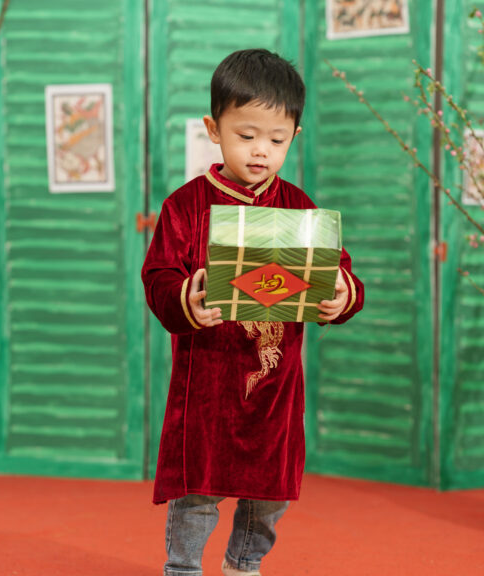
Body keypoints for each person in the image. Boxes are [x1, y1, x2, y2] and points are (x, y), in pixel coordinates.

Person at [142, 48, 364, 576]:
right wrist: (187, 297)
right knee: (198, 491)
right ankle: (183, 568)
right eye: (246, 135)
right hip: (207, 383)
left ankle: (244, 564)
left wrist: (342, 296)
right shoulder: (185, 206)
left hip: (274, 388)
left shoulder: (301, 210)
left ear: (294, 137)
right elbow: (158, 277)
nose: (261, 150)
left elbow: (339, 271)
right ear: (213, 130)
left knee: (269, 493)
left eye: (277, 139)